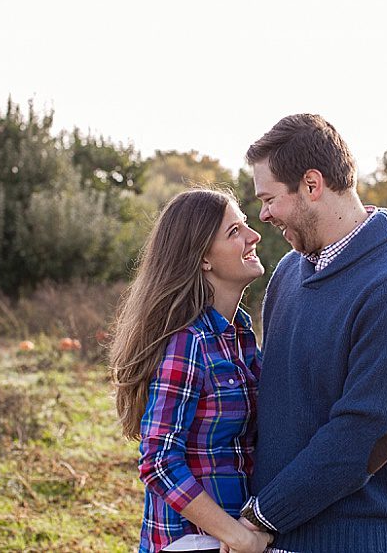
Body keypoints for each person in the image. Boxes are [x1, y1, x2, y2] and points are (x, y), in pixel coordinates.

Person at [239, 114, 387, 553]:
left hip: (356, 538)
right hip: (275, 535)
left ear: (311, 184)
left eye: (270, 199)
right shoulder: (289, 272)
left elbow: (368, 432)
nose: (264, 214)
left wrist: (264, 515)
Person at [109, 188, 274, 553]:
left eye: (245, 224)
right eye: (234, 231)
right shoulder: (189, 342)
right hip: (191, 540)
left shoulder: (240, 335)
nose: (253, 236)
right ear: (203, 259)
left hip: (231, 535)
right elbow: (159, 461)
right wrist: (235, 535)